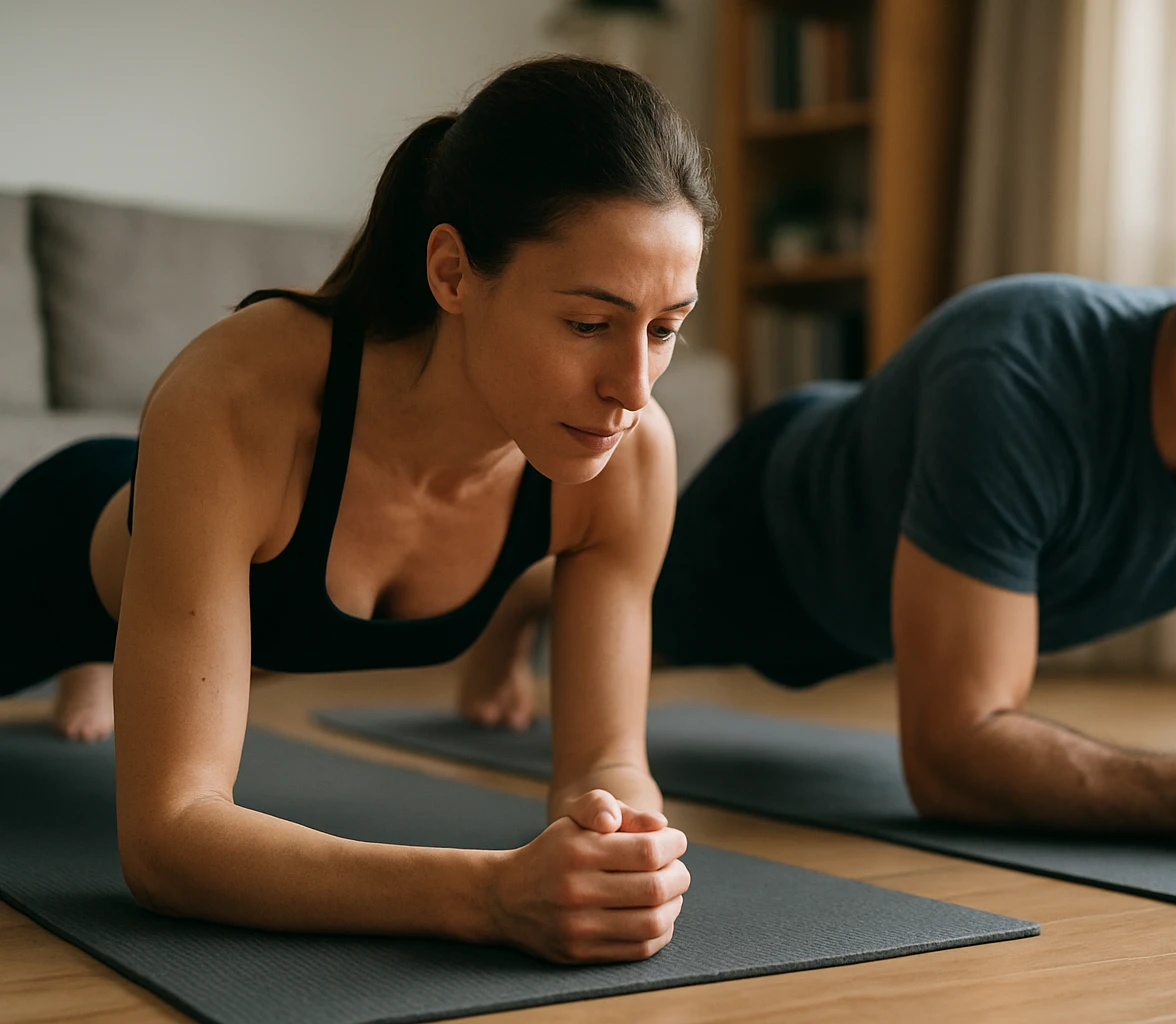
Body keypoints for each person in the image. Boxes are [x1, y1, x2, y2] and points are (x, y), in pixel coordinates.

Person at [0, 56, 711, 963]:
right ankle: (94, 657)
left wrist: (621, 845)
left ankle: (113, 669)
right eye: (587, 324)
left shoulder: (629, 454)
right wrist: (489, 895)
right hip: (62, 539)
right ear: (452, 272)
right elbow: (167, 839)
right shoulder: (236, 398)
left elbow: (607, 759)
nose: (631, 387)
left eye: (665, 330)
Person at [651, 146, 1176, 859]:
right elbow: (951, 760)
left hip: (876, 610)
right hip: (775, 531)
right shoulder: (1016, 373)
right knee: (570, 580)